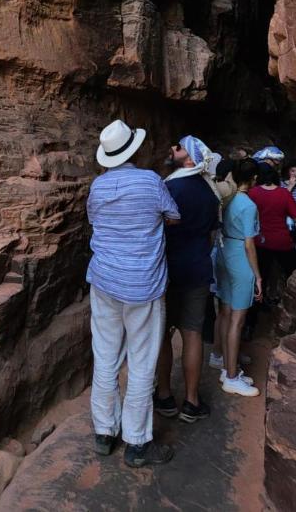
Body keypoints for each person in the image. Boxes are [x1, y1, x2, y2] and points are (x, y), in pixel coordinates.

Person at [86, 119, 181, 469]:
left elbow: (95, 222)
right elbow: (173, 216)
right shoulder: (150, 181)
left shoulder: (97, 187)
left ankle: (103, 432)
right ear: (134, 150)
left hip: (104, 281)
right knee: (141, 363)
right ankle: (137, 444)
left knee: (106, 356)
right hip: (143, 284)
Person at [155, 136, 220, 423]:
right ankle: (192, 401)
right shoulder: (210, 191)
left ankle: (165, 395)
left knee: (163, 333)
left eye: (178, 147)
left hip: (167, 270)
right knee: (192, 333)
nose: (172, 149)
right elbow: (210, 235)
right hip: (197, 267)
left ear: (190, 159)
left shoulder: (168, 187)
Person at [216, 159, 262, 397]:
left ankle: (227, 367)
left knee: (225, 312)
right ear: (254, 179)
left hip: (223, 254)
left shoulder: (227, 198)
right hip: (240, 259)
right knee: (238, 319)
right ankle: (232, 377)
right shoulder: (249, 205)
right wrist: (258, 276)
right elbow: (249, 244)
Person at [249, 166, 296, 307]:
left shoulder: (253, 192)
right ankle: (295, 304)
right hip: (281, 240)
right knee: (294, 272)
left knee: (260, 276)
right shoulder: (284, 193)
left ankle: (256, 310)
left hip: (260, 240)